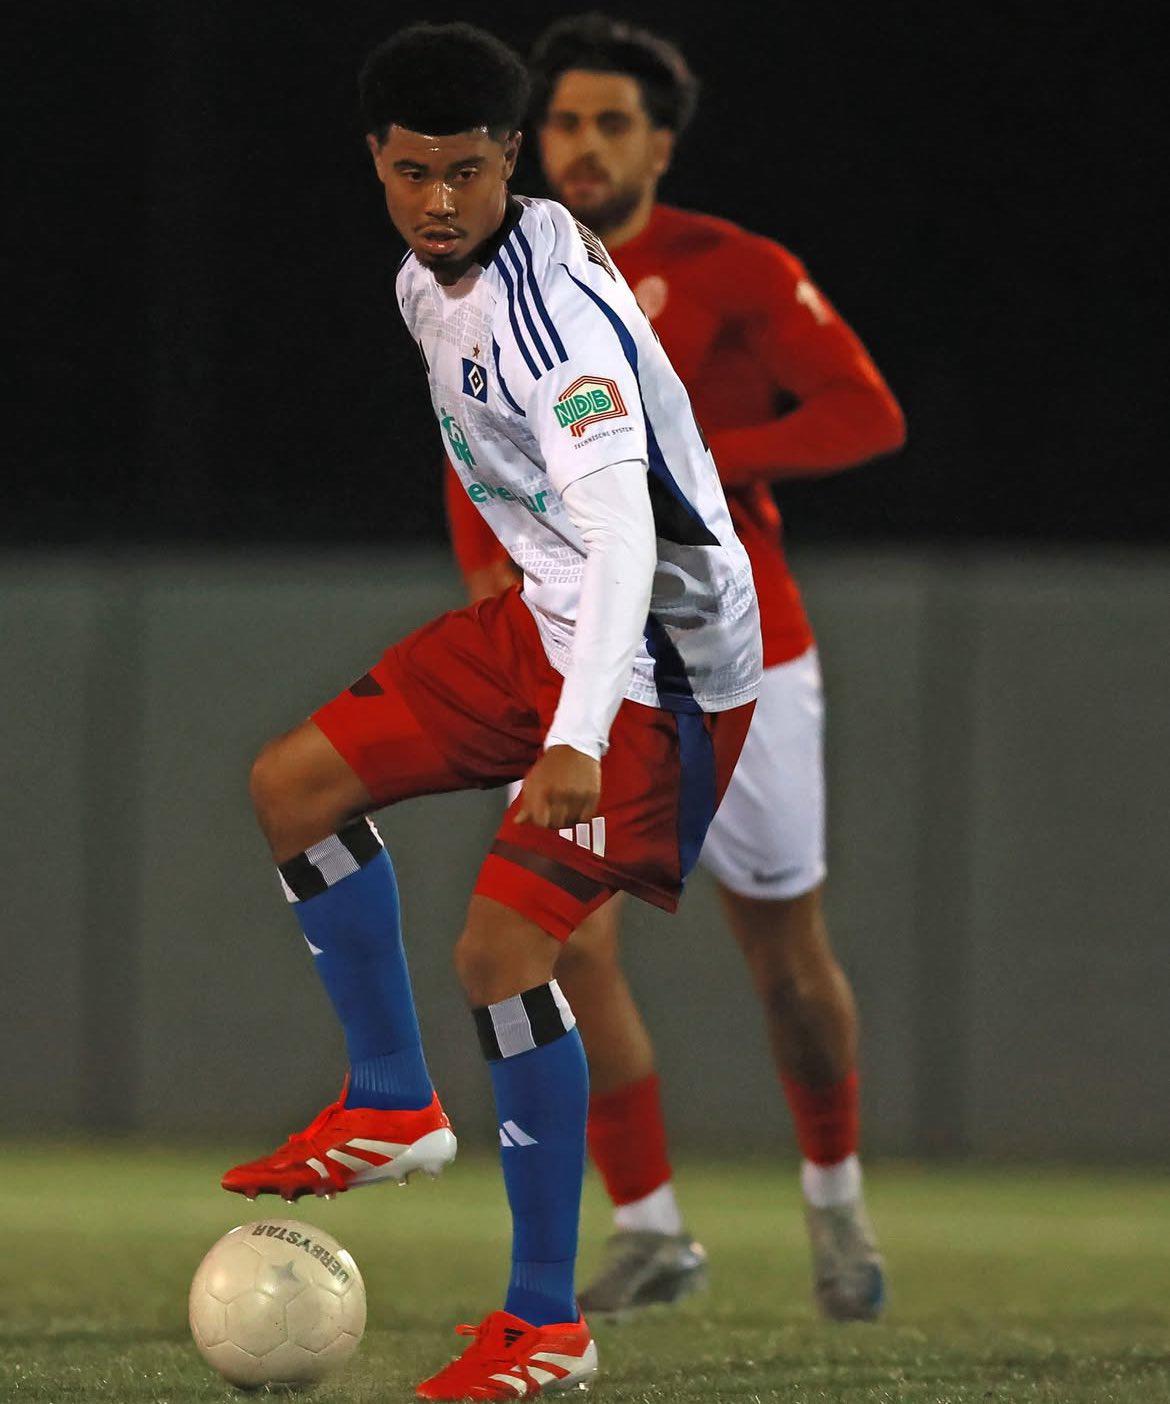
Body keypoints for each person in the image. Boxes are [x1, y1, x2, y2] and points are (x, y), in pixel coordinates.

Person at [220, 20, 761, 1400]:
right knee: (292, 785)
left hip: (655, 669)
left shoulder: (550, 318)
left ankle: (544, 1324)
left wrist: (575, 734)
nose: (439, 201)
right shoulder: (423, 281)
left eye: (467, 170)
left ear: (512, 160)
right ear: (377, 162)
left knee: (502, 954)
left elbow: (623, 537)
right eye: (412, 171)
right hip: (547, 620)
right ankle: (394, 1101)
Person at [445, 14, 906, 1323]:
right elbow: (471, 451)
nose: (580, 146)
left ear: (659, 139)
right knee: (556, 938)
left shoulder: (730, 266)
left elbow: (867, 414)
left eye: (609, 123)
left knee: (784, 960)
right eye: (563, 123)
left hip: (741, 658)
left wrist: (695, 463)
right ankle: (649, 1229)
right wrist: (495, 573)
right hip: (599, 670)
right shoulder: (502, 275)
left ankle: (833, 1204)